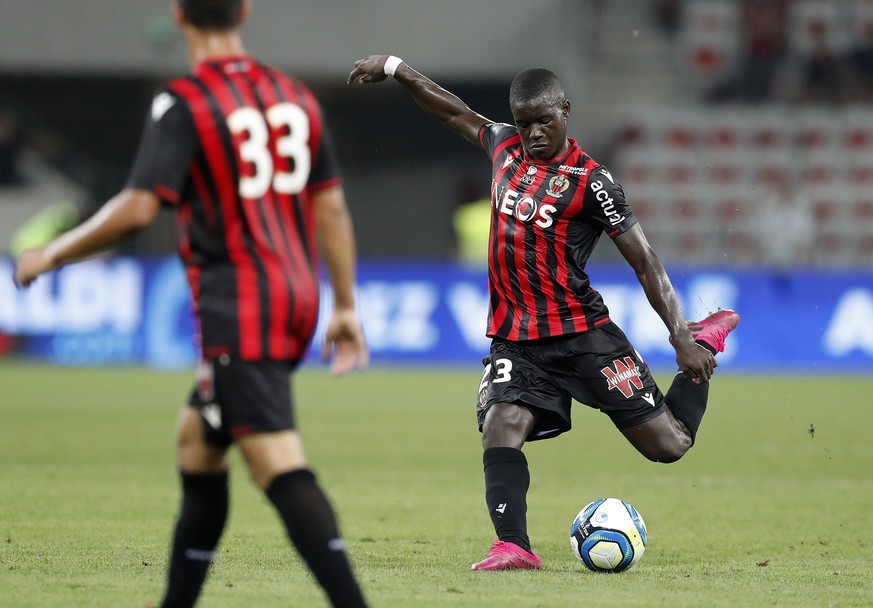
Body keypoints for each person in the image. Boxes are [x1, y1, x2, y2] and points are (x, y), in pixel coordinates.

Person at [15, 2, 370, 607]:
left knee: (275, 462)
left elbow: (138, 207)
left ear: (179, 15)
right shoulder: (293, 95)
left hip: (243, 303)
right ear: (246, 11)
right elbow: (329, 204)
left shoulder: (185, 101)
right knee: (198, 441)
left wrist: (52, 254)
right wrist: (344, 304)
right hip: (298, 294)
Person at [348, 55, 739, 571]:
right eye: (524, 121)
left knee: (668, 446)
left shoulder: (592, 182)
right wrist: (397, 68)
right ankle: (513, 546)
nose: (532, 132)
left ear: (565, 112)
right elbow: (452, 113)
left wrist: (679, 336)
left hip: (583, 335)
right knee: (501, 423)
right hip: (517, 339)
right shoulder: (502, 145)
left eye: (543, 121)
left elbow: (645, 261)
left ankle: (705, 339)